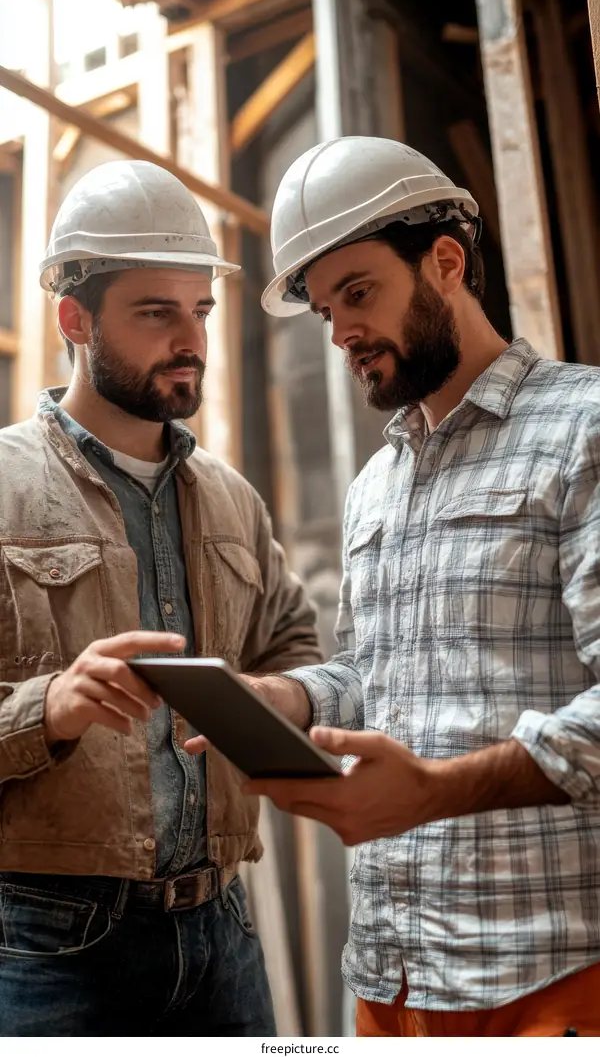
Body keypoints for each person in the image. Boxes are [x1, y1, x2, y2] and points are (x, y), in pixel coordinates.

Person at [188, 136, 600, 1037]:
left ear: (445, 263)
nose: (340, 333)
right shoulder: (379, 484)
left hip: (545, 971)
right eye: (327, 309)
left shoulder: (584, 427)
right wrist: (281, 697)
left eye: (359, 292)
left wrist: (437, 789)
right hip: (389, 972)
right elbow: (377, 673)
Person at [0, 159, 321, 1037]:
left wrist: (282, 699)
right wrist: (50, 707)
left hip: (224, 927)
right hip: (48, 944)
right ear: (75, 319)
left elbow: (309, 660)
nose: (191, 338)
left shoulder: (231, 499)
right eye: (156, 312)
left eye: (201, 310)